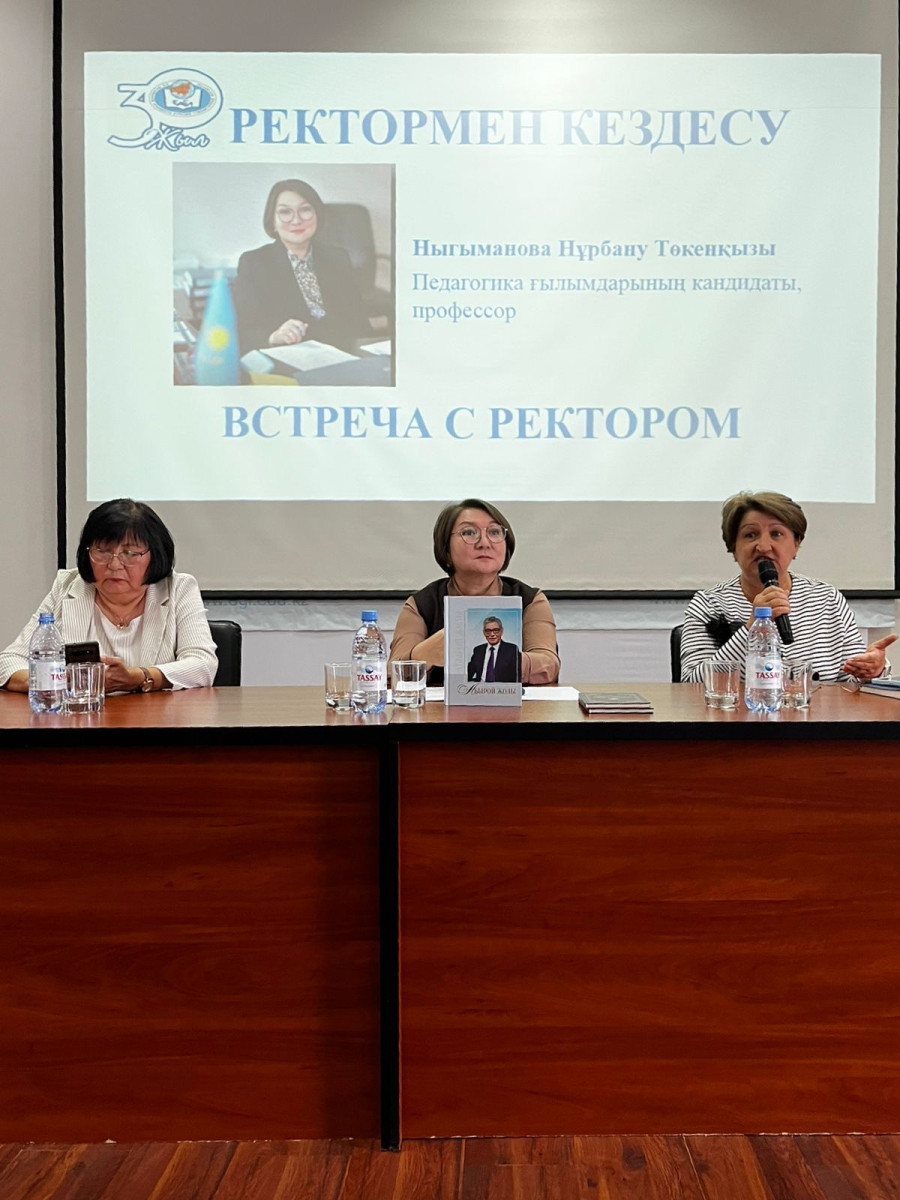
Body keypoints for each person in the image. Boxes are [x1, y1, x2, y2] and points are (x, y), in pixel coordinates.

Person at [0, 499, 217, 693]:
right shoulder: (67, 586)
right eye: (102, 551)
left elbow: (203, 665)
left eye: (130, 553)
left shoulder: (178, 588)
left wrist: (138, 677)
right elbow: (8, 662)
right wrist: (55, 680)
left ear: (155, 555)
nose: (114, 564)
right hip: (81, 719)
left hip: (157, 720)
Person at [680, 490, 895, 684]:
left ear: (796, 544)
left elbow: (851, 681)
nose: (763, 547)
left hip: (815, 715)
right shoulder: (709, 604)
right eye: (750, 535)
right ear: (733, 547)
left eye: (776, 534)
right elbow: (691, 683)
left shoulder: (827, 599)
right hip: (739, 716)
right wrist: (752, 626)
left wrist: (872, 670)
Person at [389, 499, 560, 687]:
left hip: (518, 706)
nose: (484, 543)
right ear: (446, 550)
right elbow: (391, 675)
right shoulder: (422, 605)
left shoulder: (530, 600)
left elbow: (548, 666)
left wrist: (500, 658)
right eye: (469, 532)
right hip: (438, 707)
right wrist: (422, 655)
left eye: (494, 532)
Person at [234, 178, 369, 356]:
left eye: (305, 210)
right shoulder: (254, 263)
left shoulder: (338, 257)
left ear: (317, 215)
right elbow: (244, 331)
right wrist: (273, 337)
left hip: (343, 353)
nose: (296, 220)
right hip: (290, 357)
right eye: (285, 212)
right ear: (272, 221)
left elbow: (360, 321)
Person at [467, 615, 521, 682]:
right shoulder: (478, 650)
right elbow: (468, 674)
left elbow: (518, 676)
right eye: (488, 631)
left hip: (501, 688)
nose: (492, 634)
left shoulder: (512, 650)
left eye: (496, 630)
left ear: (501, 631)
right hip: (480, 687)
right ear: (484, 633)